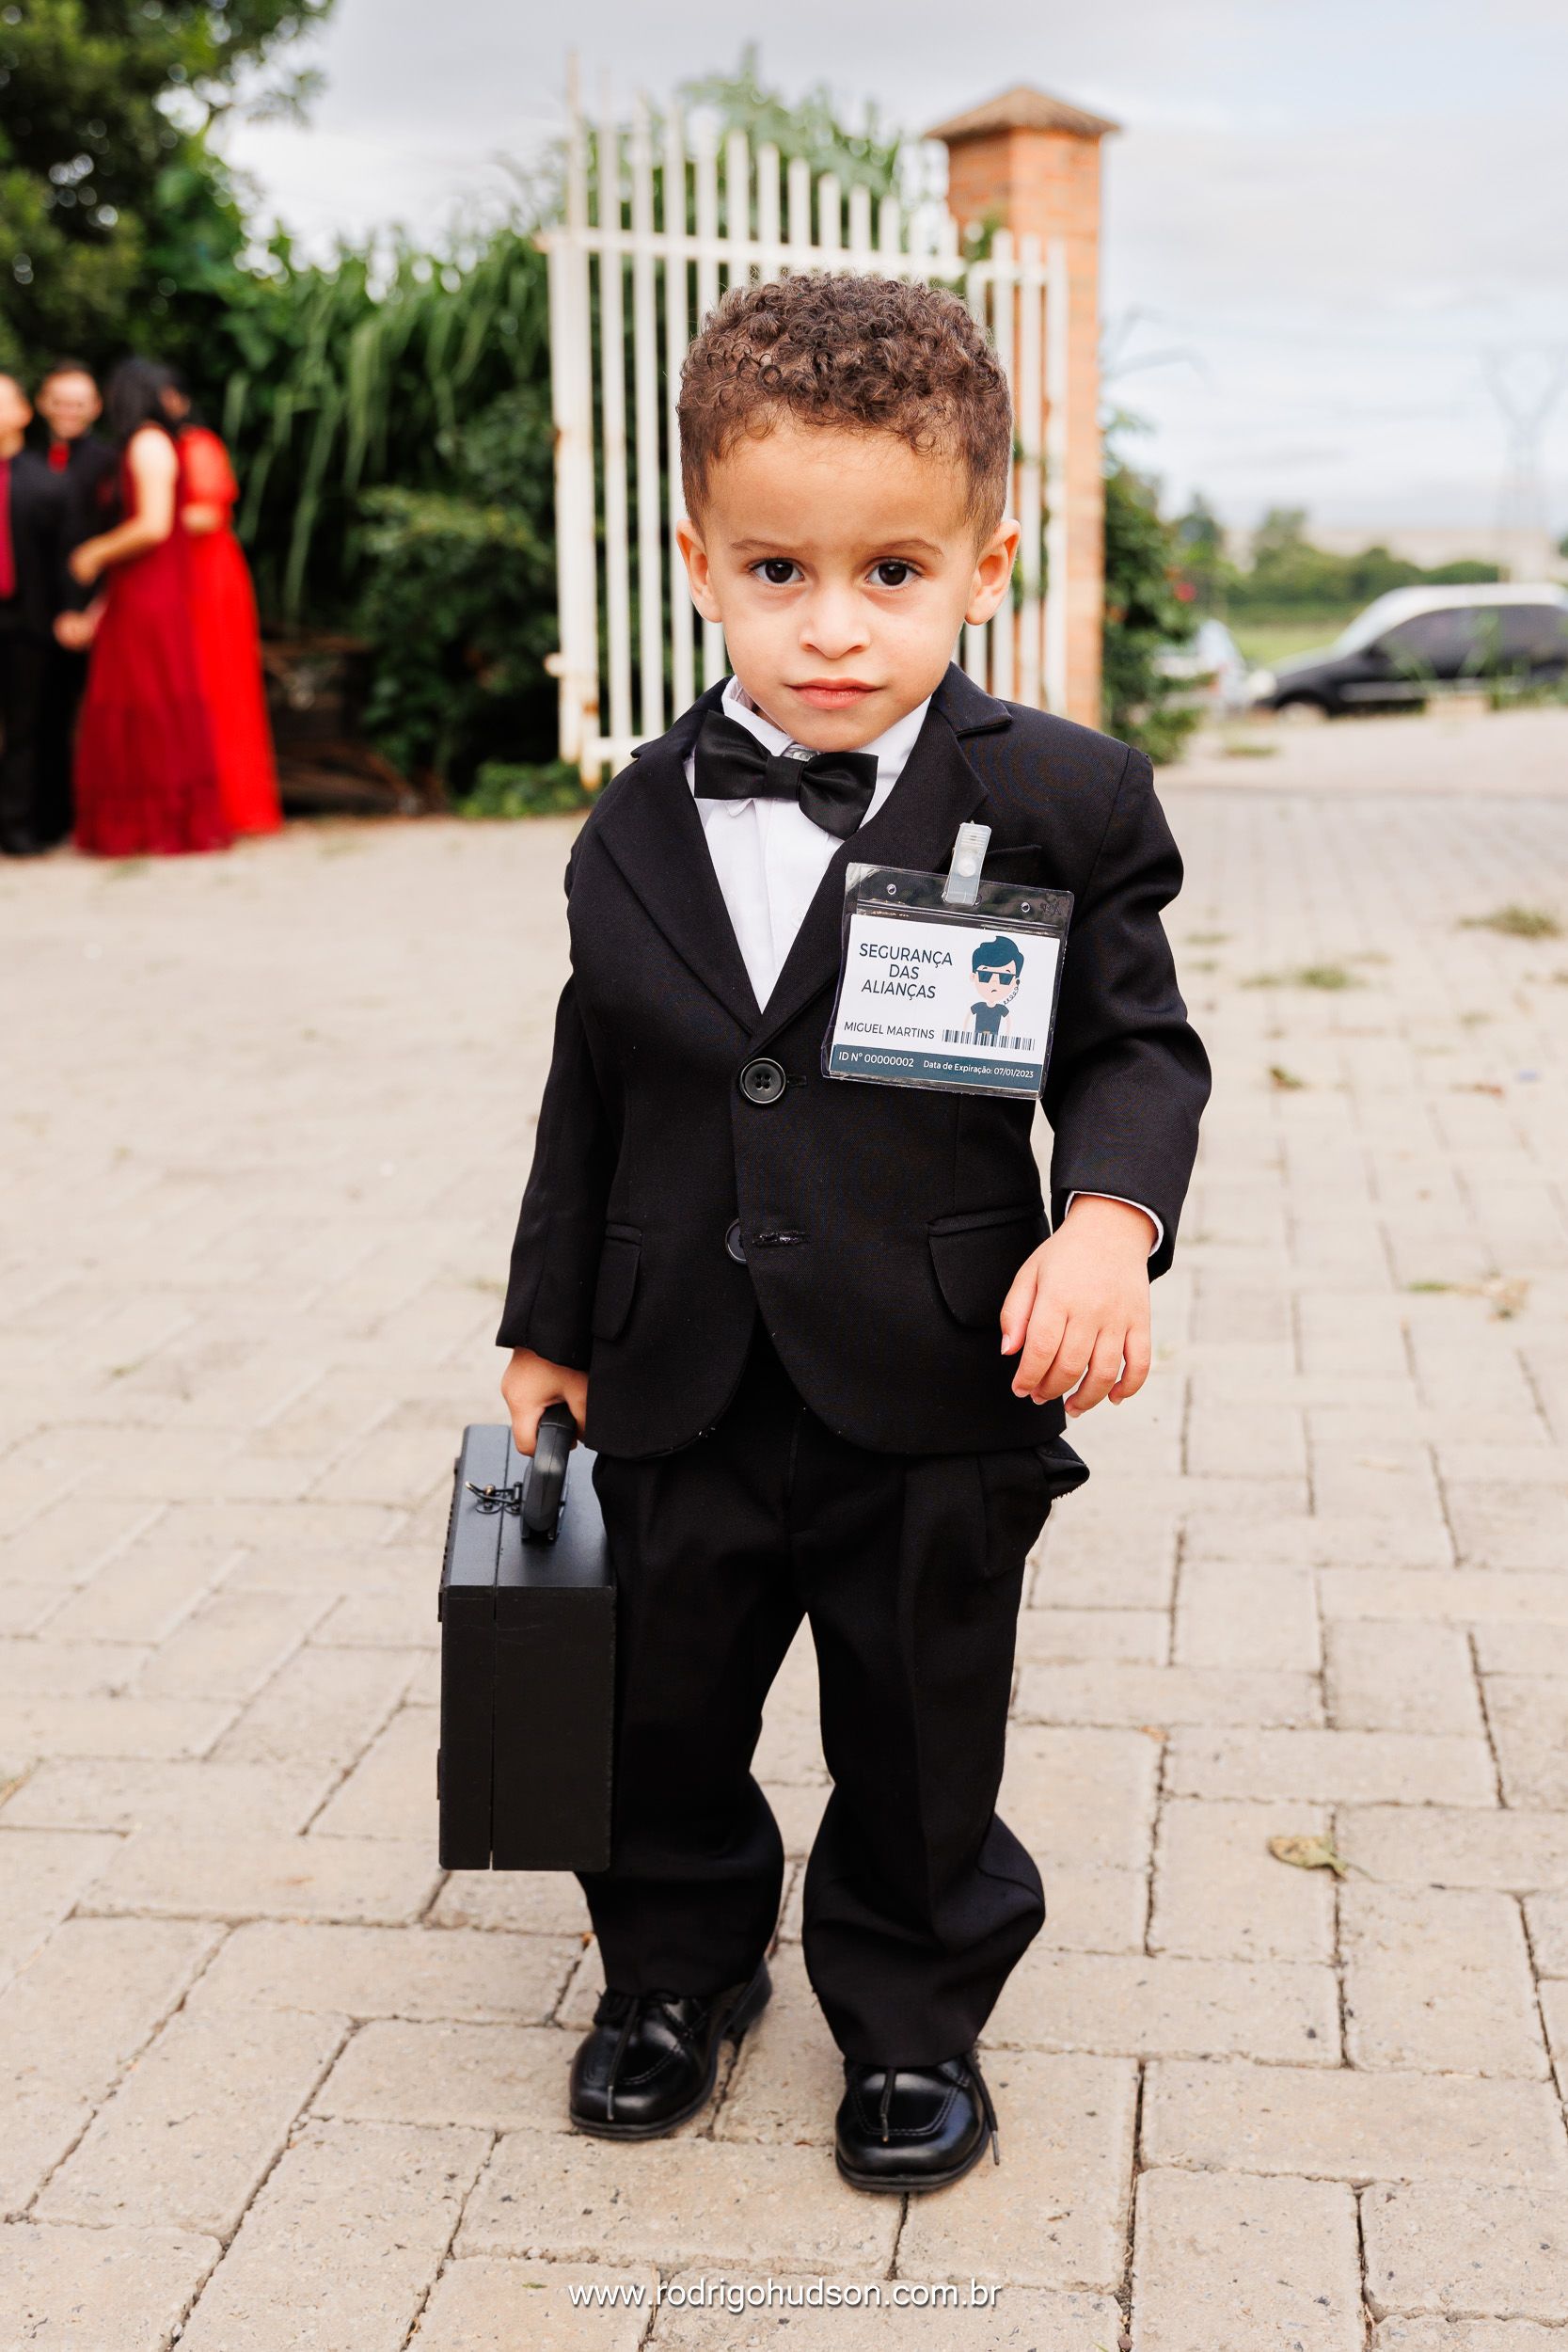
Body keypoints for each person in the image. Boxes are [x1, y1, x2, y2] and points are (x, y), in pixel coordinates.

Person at [495, 273, 1211, 2194]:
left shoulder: (1055, 796)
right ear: (695, 562)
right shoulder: (634, 812)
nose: (830, 624)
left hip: (930, 1368)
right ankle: (669, 1974)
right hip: (671, 1369)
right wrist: (546, 1317)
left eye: (888, 570)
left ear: (981, 555)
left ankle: (905, 2017)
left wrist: (1108, 1223)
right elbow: (598, 1084)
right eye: (775, 570)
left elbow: (1133, 1044)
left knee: (913, 1723)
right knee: (645, 1701)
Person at [68, 358, 229, 859]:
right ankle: (139, 824)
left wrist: (95, 552)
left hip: (151, 593)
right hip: (137, 590)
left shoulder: (149, 443)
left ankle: (159, 824)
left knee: (150, 702)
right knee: (135, 700)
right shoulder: (150, 444)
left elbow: (154, 525)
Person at [160, 370, 282, 836]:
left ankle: (235, 805)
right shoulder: (163, 450)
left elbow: (206, 514)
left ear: (180, 400)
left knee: (220, 685)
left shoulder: (199, 445)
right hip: (177, 575)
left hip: (208, 577)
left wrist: (141, 523)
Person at [34, 361, 118, 845]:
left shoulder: (109, 464)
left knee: (91, 720)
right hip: (29, 614)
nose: (69, 411)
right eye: (60, 401)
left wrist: (91, 609)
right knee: (36, 719)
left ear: (96, 408)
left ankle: (89, 819)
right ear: (43, 405)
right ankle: (42, 822)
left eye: (79, 402)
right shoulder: (23, 458)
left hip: (92, 611)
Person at [0, 373, 68, 855]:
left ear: (25, 412)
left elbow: (66, 559)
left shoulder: (47, 482)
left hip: (27, 622)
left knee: (27, 728)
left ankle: (18, 829)